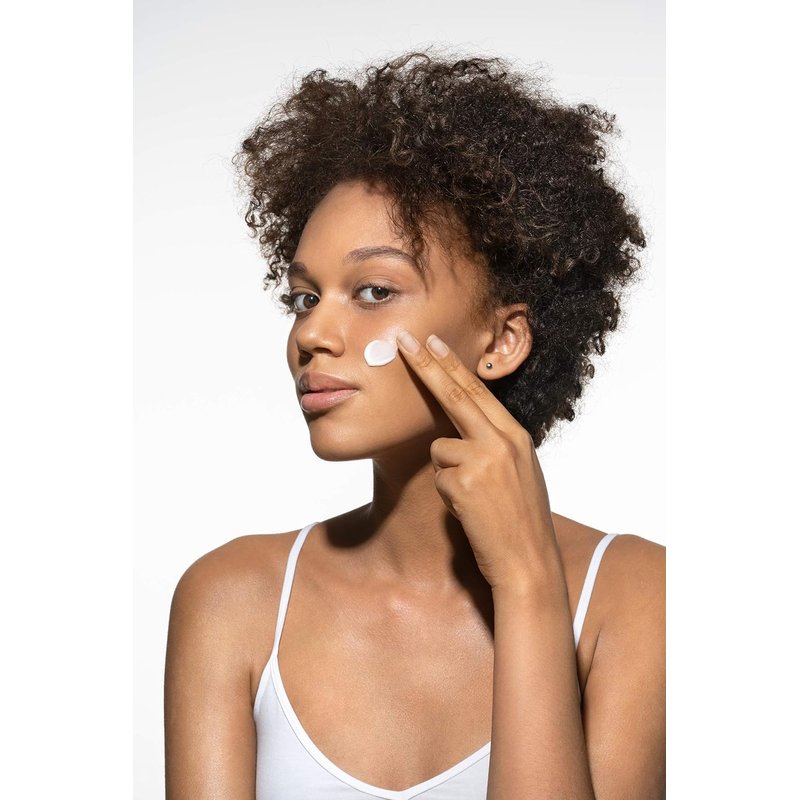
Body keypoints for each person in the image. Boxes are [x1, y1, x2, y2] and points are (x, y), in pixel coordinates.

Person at [164, 50, 665, 799]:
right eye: (304, 298)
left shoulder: (637, 597)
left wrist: (527, 585)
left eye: (373, 290)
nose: (312, 334)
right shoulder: (233, 599)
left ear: (502, 340)